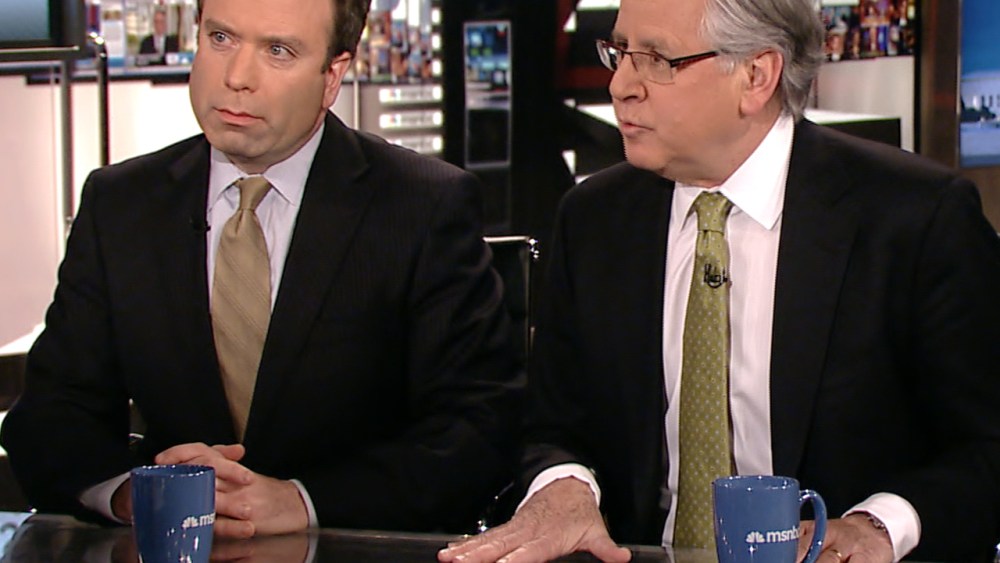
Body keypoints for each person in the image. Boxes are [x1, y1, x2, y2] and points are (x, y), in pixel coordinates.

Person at [439, 0, 1000, 562]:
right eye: (620, 53)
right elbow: (551, 426)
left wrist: (879, 526)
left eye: (656, 59)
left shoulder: (915, 218)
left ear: (756, 76)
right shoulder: (593, 218)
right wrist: (564, 486)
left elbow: (985, 446)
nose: (621, 86)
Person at [1, 0, 523, 540]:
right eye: (221, 38)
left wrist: (302, 501)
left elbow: (478, 428)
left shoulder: (422, 206)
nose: (236, 77)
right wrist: (135, 494)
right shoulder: (120, 204)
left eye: (278, 51)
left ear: (332, 76)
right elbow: (51, 417)